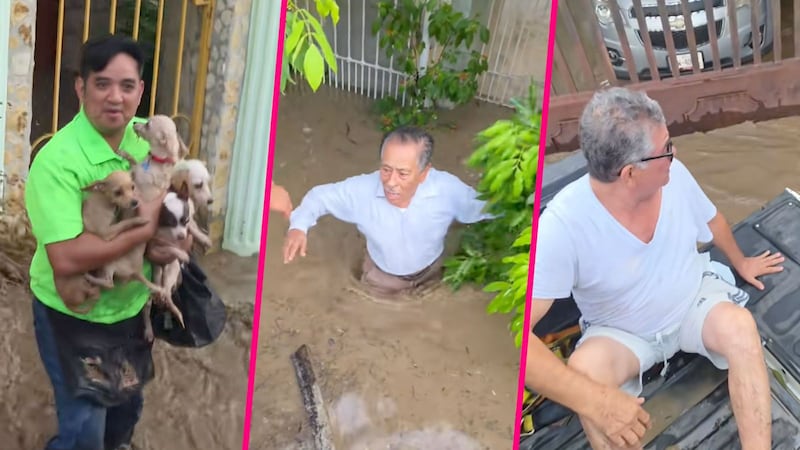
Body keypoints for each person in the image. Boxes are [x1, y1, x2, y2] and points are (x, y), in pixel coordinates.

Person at [526, 87, 782, 450]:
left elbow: (712, 220)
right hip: (624, 333)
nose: (674, 154)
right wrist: (597, 401)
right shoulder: (562, 226)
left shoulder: (673, 176)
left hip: (692, 302)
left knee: (740, 328)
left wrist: (741, 261)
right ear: (630, 173)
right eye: (666, 148)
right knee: (585, 372)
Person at [25, 34, 192, 450]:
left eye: (128, 86)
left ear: (140, 91)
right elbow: (66, 258)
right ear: (81, 87)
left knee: (124, 413)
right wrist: (145, 224)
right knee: (85, 432)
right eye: (102, 84)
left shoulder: (147, 146)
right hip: (73, 316)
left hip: (130, 310)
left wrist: (173, 236)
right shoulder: (58, 161)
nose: (115, 97)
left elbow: (178, 216)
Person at [282, 126, 492, 297]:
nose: (391, 182)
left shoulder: (447, 190)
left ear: (424, 173)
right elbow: (319, 197)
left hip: (431, 271)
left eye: (402, 173)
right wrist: (299, 226)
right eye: (386, 169)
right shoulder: (362, 191)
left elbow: (481, 206)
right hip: (381, 277)